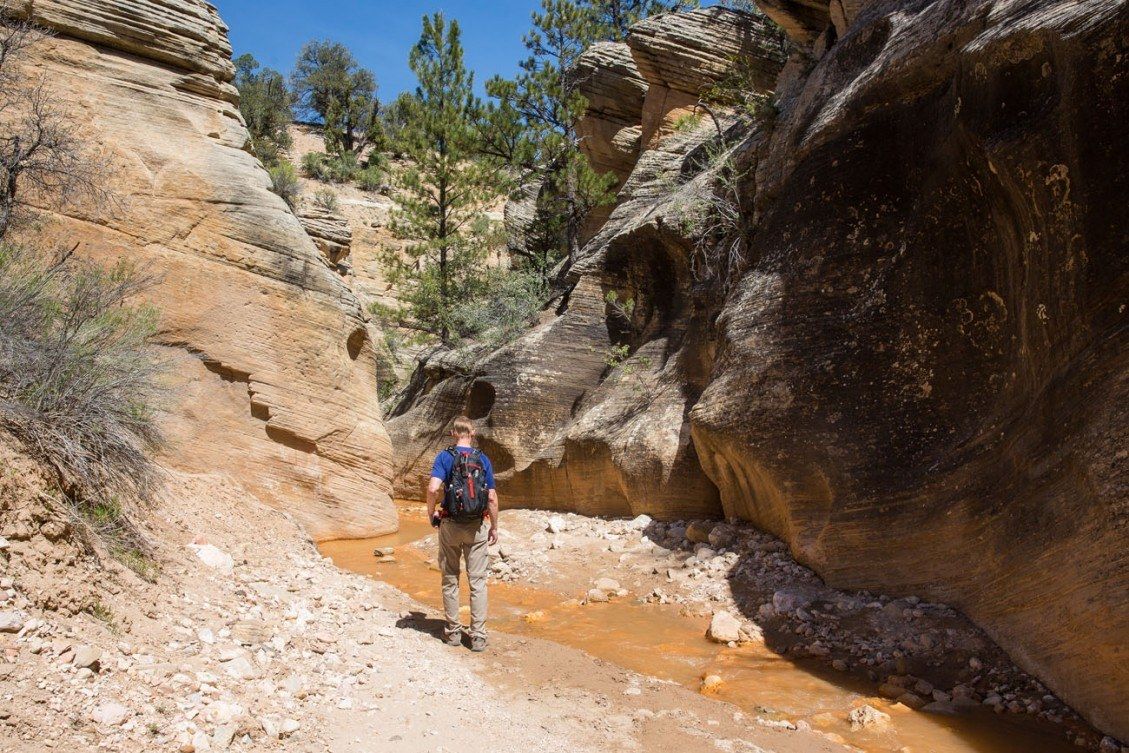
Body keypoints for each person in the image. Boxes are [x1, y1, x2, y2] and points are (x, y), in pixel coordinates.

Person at [427, 415, 499, 652]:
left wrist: (431, 514)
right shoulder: (483, 459)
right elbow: (491, 497)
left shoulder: (444, 457)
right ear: (473, 432)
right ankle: (477, 637)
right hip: (477, 526)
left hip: (450, 524)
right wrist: (495, 526)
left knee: (450, 578)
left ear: (453, 433)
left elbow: (433, 488)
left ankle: (454, 633)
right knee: (477, 581)